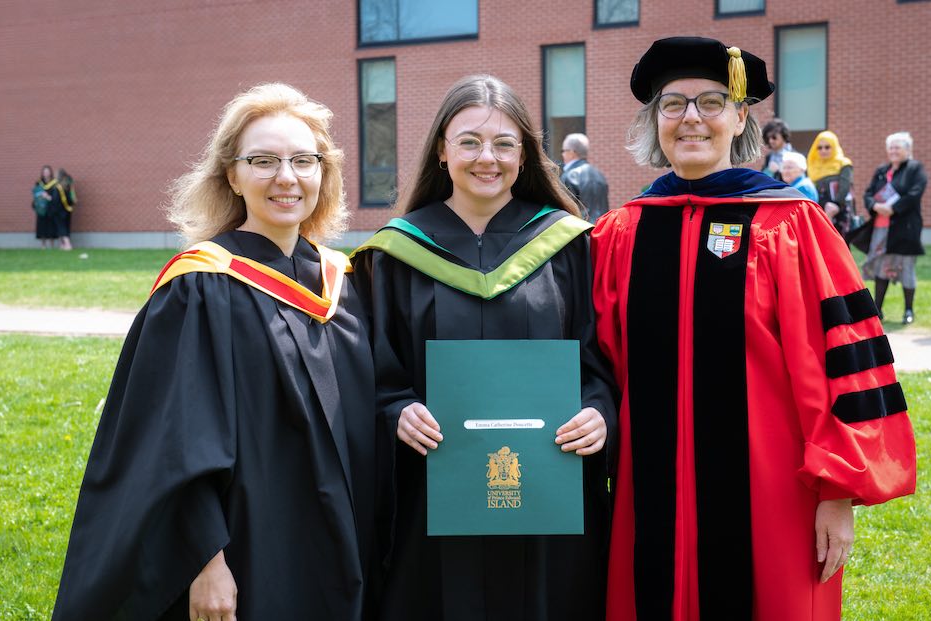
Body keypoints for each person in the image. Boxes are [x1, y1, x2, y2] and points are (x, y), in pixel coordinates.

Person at [592, 36, 916, 620]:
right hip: (649, 499)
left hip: (775, 499)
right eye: (673, 104)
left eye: (712, 102)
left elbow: (844, 359)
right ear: (654, 121)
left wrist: (838, 490)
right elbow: (597, 367)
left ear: (740, 117)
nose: (691, 118)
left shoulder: (792, 224)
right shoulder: (621, 233)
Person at [53, 83, 380, 620]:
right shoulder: (200, 287)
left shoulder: (344, 281)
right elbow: (173, 440)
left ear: (325, 172)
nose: (287, 177)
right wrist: (207, 562)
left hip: (340, 534)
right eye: (264, 161)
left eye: (303, 159)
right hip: (250, 544)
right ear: (232, 175)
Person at [351, 75, 617, 621]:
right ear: (442, 152)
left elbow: (599, 362)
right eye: (469, 141)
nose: (486, 158)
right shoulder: (395, 254)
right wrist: (395, 410)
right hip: (434, 487)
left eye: (504, 143)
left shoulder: (569, 246)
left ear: (525, 156)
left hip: (550, 487)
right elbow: (371, 371)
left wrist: (599, 412)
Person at [859, 132, 927, 325]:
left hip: (904, 229)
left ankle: (908, 311)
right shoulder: (882, 169)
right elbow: (868, 193)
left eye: (898, 147)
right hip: (881, 228)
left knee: (906, 269)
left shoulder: (915, 168)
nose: (893, 151)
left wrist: (893, 209)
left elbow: (915, 193)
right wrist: (874, 206)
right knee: (881, 268)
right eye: (891, 147)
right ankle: (877, 310)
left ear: (908, 149)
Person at [807, 130, 856, 238]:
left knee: (840, 242)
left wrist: (835, 205)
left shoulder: (844, 163)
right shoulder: (813, 166)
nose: (823, 150)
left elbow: (845, 186)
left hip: (840, 209)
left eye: (827, 147)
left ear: (834, 146)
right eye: (819, 148)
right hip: (821, 208)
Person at [560, 132, 610, 222]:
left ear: (572, 153)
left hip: (582, 231)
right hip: (602, 228)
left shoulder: (570, 176)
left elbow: (565, 212)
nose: (562, 154)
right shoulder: (599, 175)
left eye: (563, 151)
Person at [32, 165, 60, 248]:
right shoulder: (39, 182)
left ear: (50, 172)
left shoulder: (54, 183)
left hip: (51, 207)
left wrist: (48, 197)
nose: (46, 173)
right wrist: (41, 195)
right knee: (42, 225)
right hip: (41, 207)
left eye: (47, 171)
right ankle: (43, 245)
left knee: (51, 225)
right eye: (44, 172)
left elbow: (56, 195)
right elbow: (35, 194)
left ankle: (52, 245)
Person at [55, 168, 77, 250]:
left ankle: (67, 244)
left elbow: (56, 199)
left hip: (60, 209)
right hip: (68, 208)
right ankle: (63, 245)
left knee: (61, 227)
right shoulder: (69, 183)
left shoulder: (58, 186)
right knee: (66, 226)